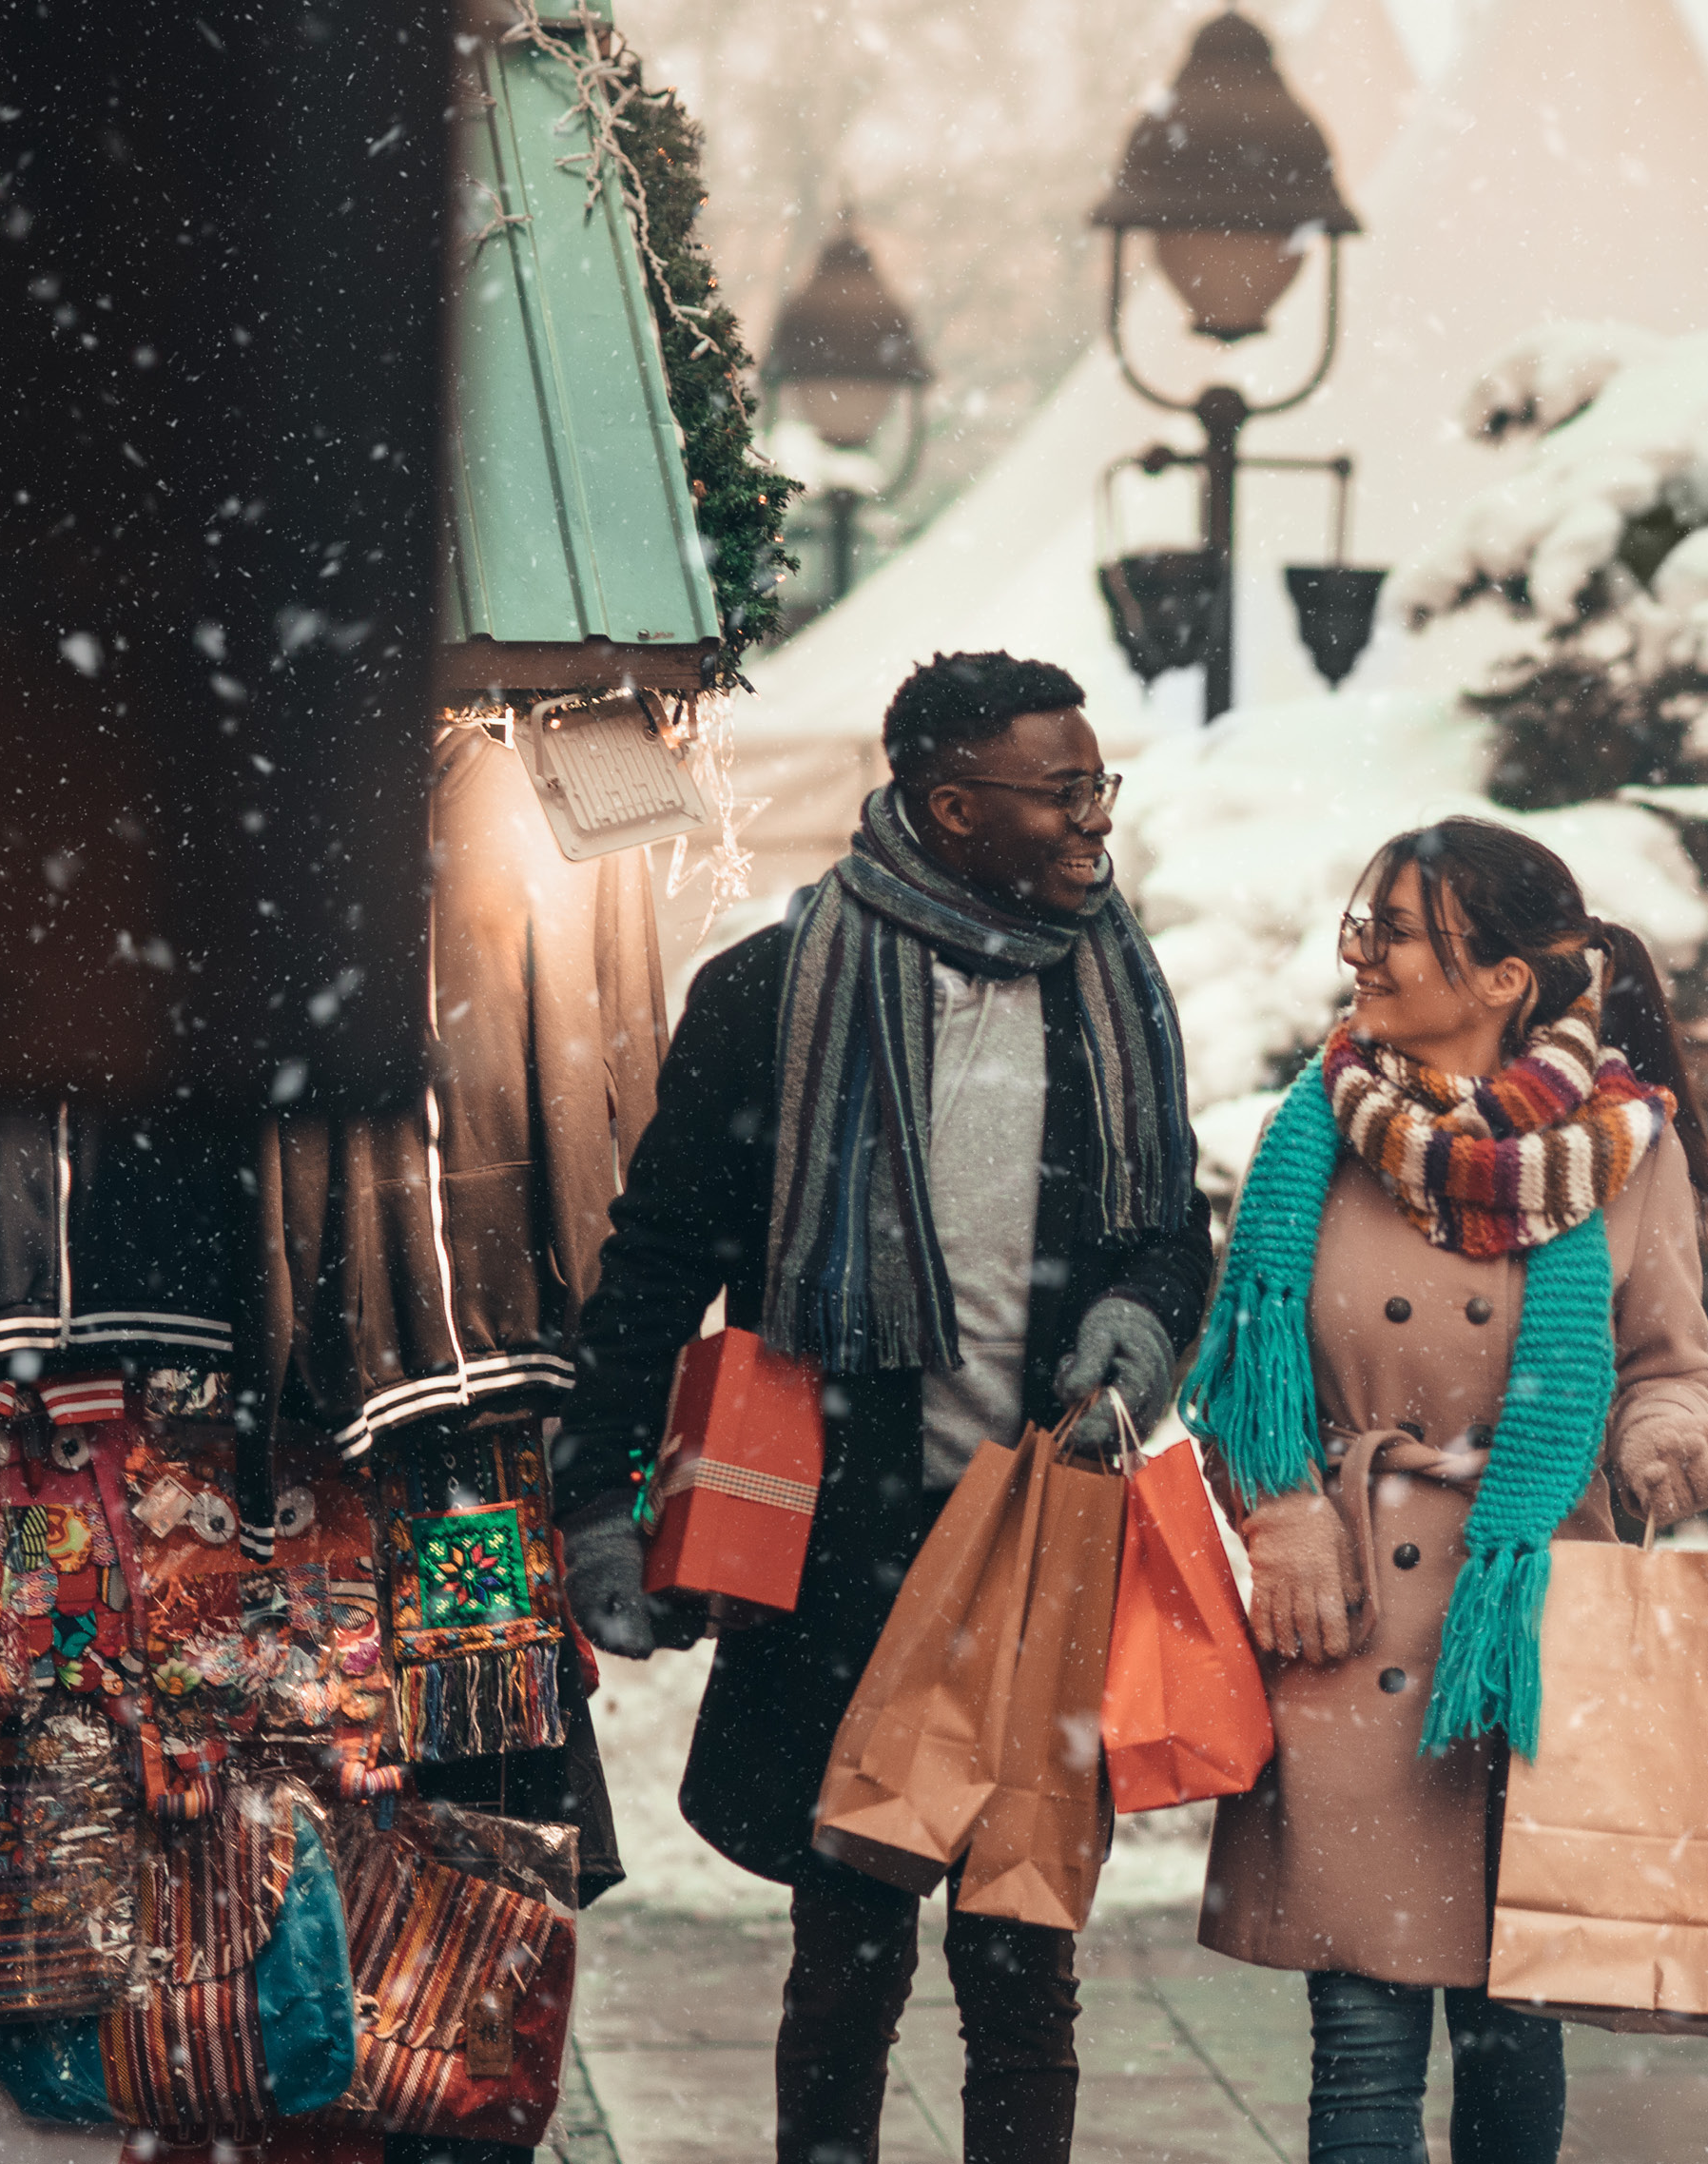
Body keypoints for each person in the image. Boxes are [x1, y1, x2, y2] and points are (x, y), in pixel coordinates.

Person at [553, 652, 1214, 2164]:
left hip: (1035, 1545)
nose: (1090, 819)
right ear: (949, 803)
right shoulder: (775, 991)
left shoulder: (1112, 985)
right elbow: (654, 1267)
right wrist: (599, 1491)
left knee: (1022, 1962)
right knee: (845, 1948)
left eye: (1094, 784)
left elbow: (1166, 1226)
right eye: (1061, 791)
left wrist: (1137, 1318)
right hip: (845, 1546)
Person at [1181, 818, 1708, 2164]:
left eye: (1395, 929)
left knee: (1512, 2026)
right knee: (1363, 2039)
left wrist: (1670, 1433)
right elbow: (1243, 1365)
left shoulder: (1624, 1149)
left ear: (1501, 976)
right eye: (1360, 923)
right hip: (1352, 1615)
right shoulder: (1310, 1133)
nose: (1361, 953)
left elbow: (1669, 1362)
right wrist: (1280, 1510)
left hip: (1534, 1621)